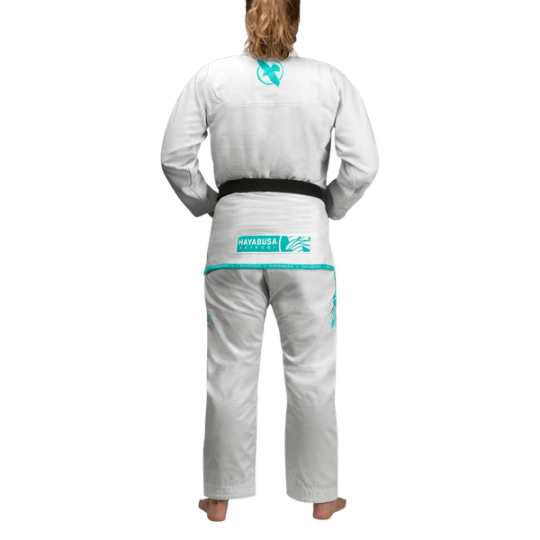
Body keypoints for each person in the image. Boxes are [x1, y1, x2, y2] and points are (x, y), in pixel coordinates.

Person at [158, 0, 380, 524]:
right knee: (312, 369)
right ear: (298, 24)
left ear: (245, 21)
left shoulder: (212, 77)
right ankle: (322, 499)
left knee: (229, 367)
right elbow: (361, 166)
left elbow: (174, 159)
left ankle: (218, 499)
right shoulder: (329, 80)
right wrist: (325, 208)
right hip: (303, 240)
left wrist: (208, 205)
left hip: (235, 237)